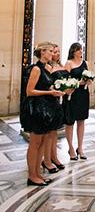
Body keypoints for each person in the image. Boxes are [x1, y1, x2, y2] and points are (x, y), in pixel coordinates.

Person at [20, 42, 65, 186]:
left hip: (47, 109)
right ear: (43, 52)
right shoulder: (36, 69)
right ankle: (32, 175)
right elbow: (29, 91)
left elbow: (45, 85)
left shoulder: (47, 68)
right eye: (50, 51)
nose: (53, 53)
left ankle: (38, 173)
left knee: (43, 142)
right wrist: (50, 92)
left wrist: (56, 90)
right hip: (37, 109)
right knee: (35, 143)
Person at [42, 44, 68, 174]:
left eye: (58, 51)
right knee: (48, 133)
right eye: (54, 52)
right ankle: (46, 160)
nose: (57, 54)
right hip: (49, 100)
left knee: (54, 132)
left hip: (58, 101)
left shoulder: (61, 65)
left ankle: (54, 157)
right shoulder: (48, 67)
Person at [63, 42, 91, 160]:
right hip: (72, 95)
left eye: (81, 49)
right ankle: (71, 148)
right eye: (78, 50)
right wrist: (78, 83)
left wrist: (89, 81)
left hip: (83, 94)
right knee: (70, 122)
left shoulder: (86, 63)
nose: (81, 51)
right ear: (73, 51)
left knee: (81, 121)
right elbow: (64, 81)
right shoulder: (69, 63)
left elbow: (89, 76)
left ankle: (80, 148)